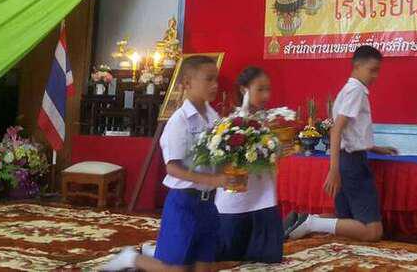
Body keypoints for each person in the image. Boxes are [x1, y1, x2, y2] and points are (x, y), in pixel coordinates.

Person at [102, 55, 228, 271]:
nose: (215, 85)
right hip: (184, 203)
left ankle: (152, 252)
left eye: (216, 79)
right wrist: (212, 179)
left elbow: (219, 155)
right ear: (187, 83)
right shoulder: (179, 121)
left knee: (203, 267)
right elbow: (173, 167)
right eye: (209, 79)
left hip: (208, 204)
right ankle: (132, 259)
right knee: (175, 270)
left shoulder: (214, 118)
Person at [286, 45, 398, 242]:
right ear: (357, 66)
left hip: (348, 160)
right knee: (373, 231)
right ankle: (311, 223)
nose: (375, 76)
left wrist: (374, 147)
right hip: (352, 163)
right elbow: (336, 129)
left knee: (347, 219)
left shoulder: (348, 89)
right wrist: (333, 170)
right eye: (372, 70)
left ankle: (302, 220)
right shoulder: (356, 91)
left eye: (378, 71)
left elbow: (350, 132)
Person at [214, 66, 283, 264]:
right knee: (227, 261)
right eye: (260, 89)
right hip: (236, 203)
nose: (266, 95)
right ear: (244, 89)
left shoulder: (270, 122)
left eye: (268, 89)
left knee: (265, 263)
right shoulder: (230, 125)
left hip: (264, 200)